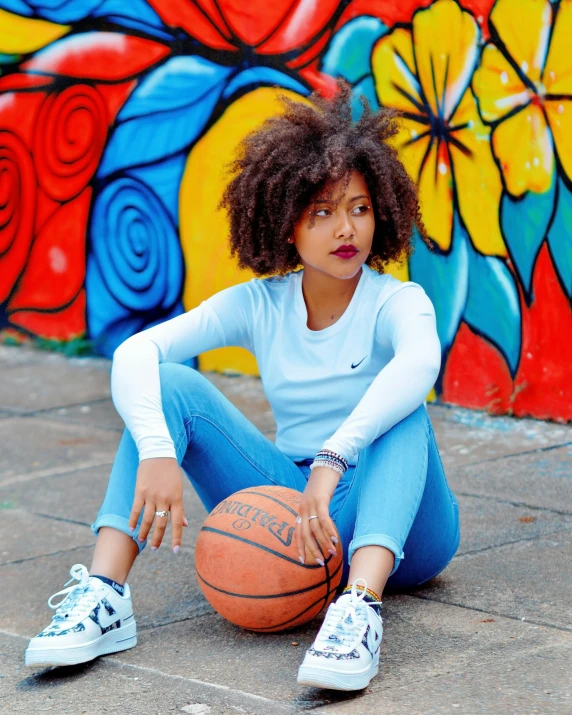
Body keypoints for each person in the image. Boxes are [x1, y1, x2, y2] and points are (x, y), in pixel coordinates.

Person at [25, 81, 460, 691]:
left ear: (380, 211)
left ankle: (359, 608)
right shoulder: (260, 305)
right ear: (287, 225)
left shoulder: (398, 302)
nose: (346, 229)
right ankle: (105, 595)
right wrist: (156, 448)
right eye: (322, 212)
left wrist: (336, 455)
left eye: (359, 208)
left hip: (407, 523)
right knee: (170, 383)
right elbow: (135, 352)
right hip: (299, 502)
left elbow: (419, 366)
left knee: (403, 409)